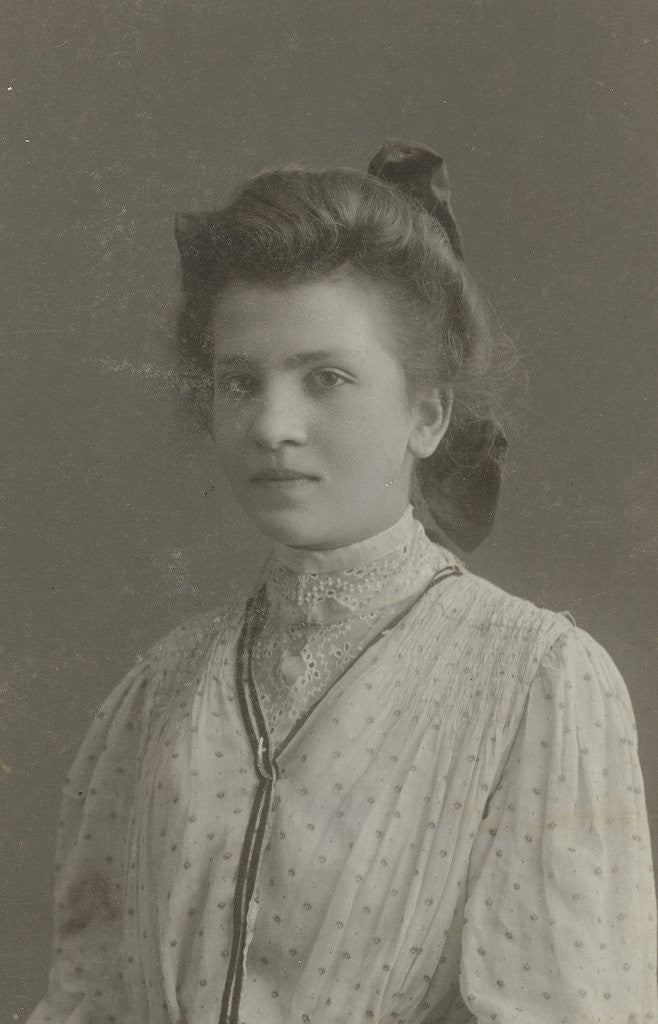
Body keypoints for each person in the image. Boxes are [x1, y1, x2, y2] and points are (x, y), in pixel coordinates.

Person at [28, 143, 657, 1024]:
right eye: (241, 382)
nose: (273, 426)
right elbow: (84, 1003)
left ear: (428, 414)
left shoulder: (535, 681)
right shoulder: (159, 691)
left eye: (326, 379)